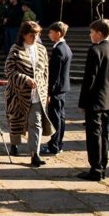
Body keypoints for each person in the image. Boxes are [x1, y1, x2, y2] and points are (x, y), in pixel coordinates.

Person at [5, 21, 53, 166]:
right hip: (18, 94)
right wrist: (24, 79)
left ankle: (34, 154)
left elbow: (46, 73)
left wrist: (47, 92)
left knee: (36, 123)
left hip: (37, 94)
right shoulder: (15, 49)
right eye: (32, 35)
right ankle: (14, 144)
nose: (35, 37)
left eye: (37, 34)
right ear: (24, 34)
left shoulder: (42, 49)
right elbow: (8, 71)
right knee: (16, 121)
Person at [78, 19, 109, 181]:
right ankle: (102, 165)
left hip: (94, 99)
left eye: (92, 32)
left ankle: (95, 168)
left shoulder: (95, 50)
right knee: (103, 134)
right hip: (108, 98)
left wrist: (83, 102)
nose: (90, 35)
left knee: (94, 135)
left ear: (100, 33)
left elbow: (90, 79)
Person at [44, 22, 72, 156]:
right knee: (60, 116)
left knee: (55, 117)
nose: (49, 34)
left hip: (56, 89)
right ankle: (58, 143)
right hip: (63, 87)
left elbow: (54, 74)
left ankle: (54, 145)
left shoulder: (59, 49)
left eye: (51, 32)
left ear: (58, 33)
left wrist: (49, 92)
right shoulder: (66, 47)